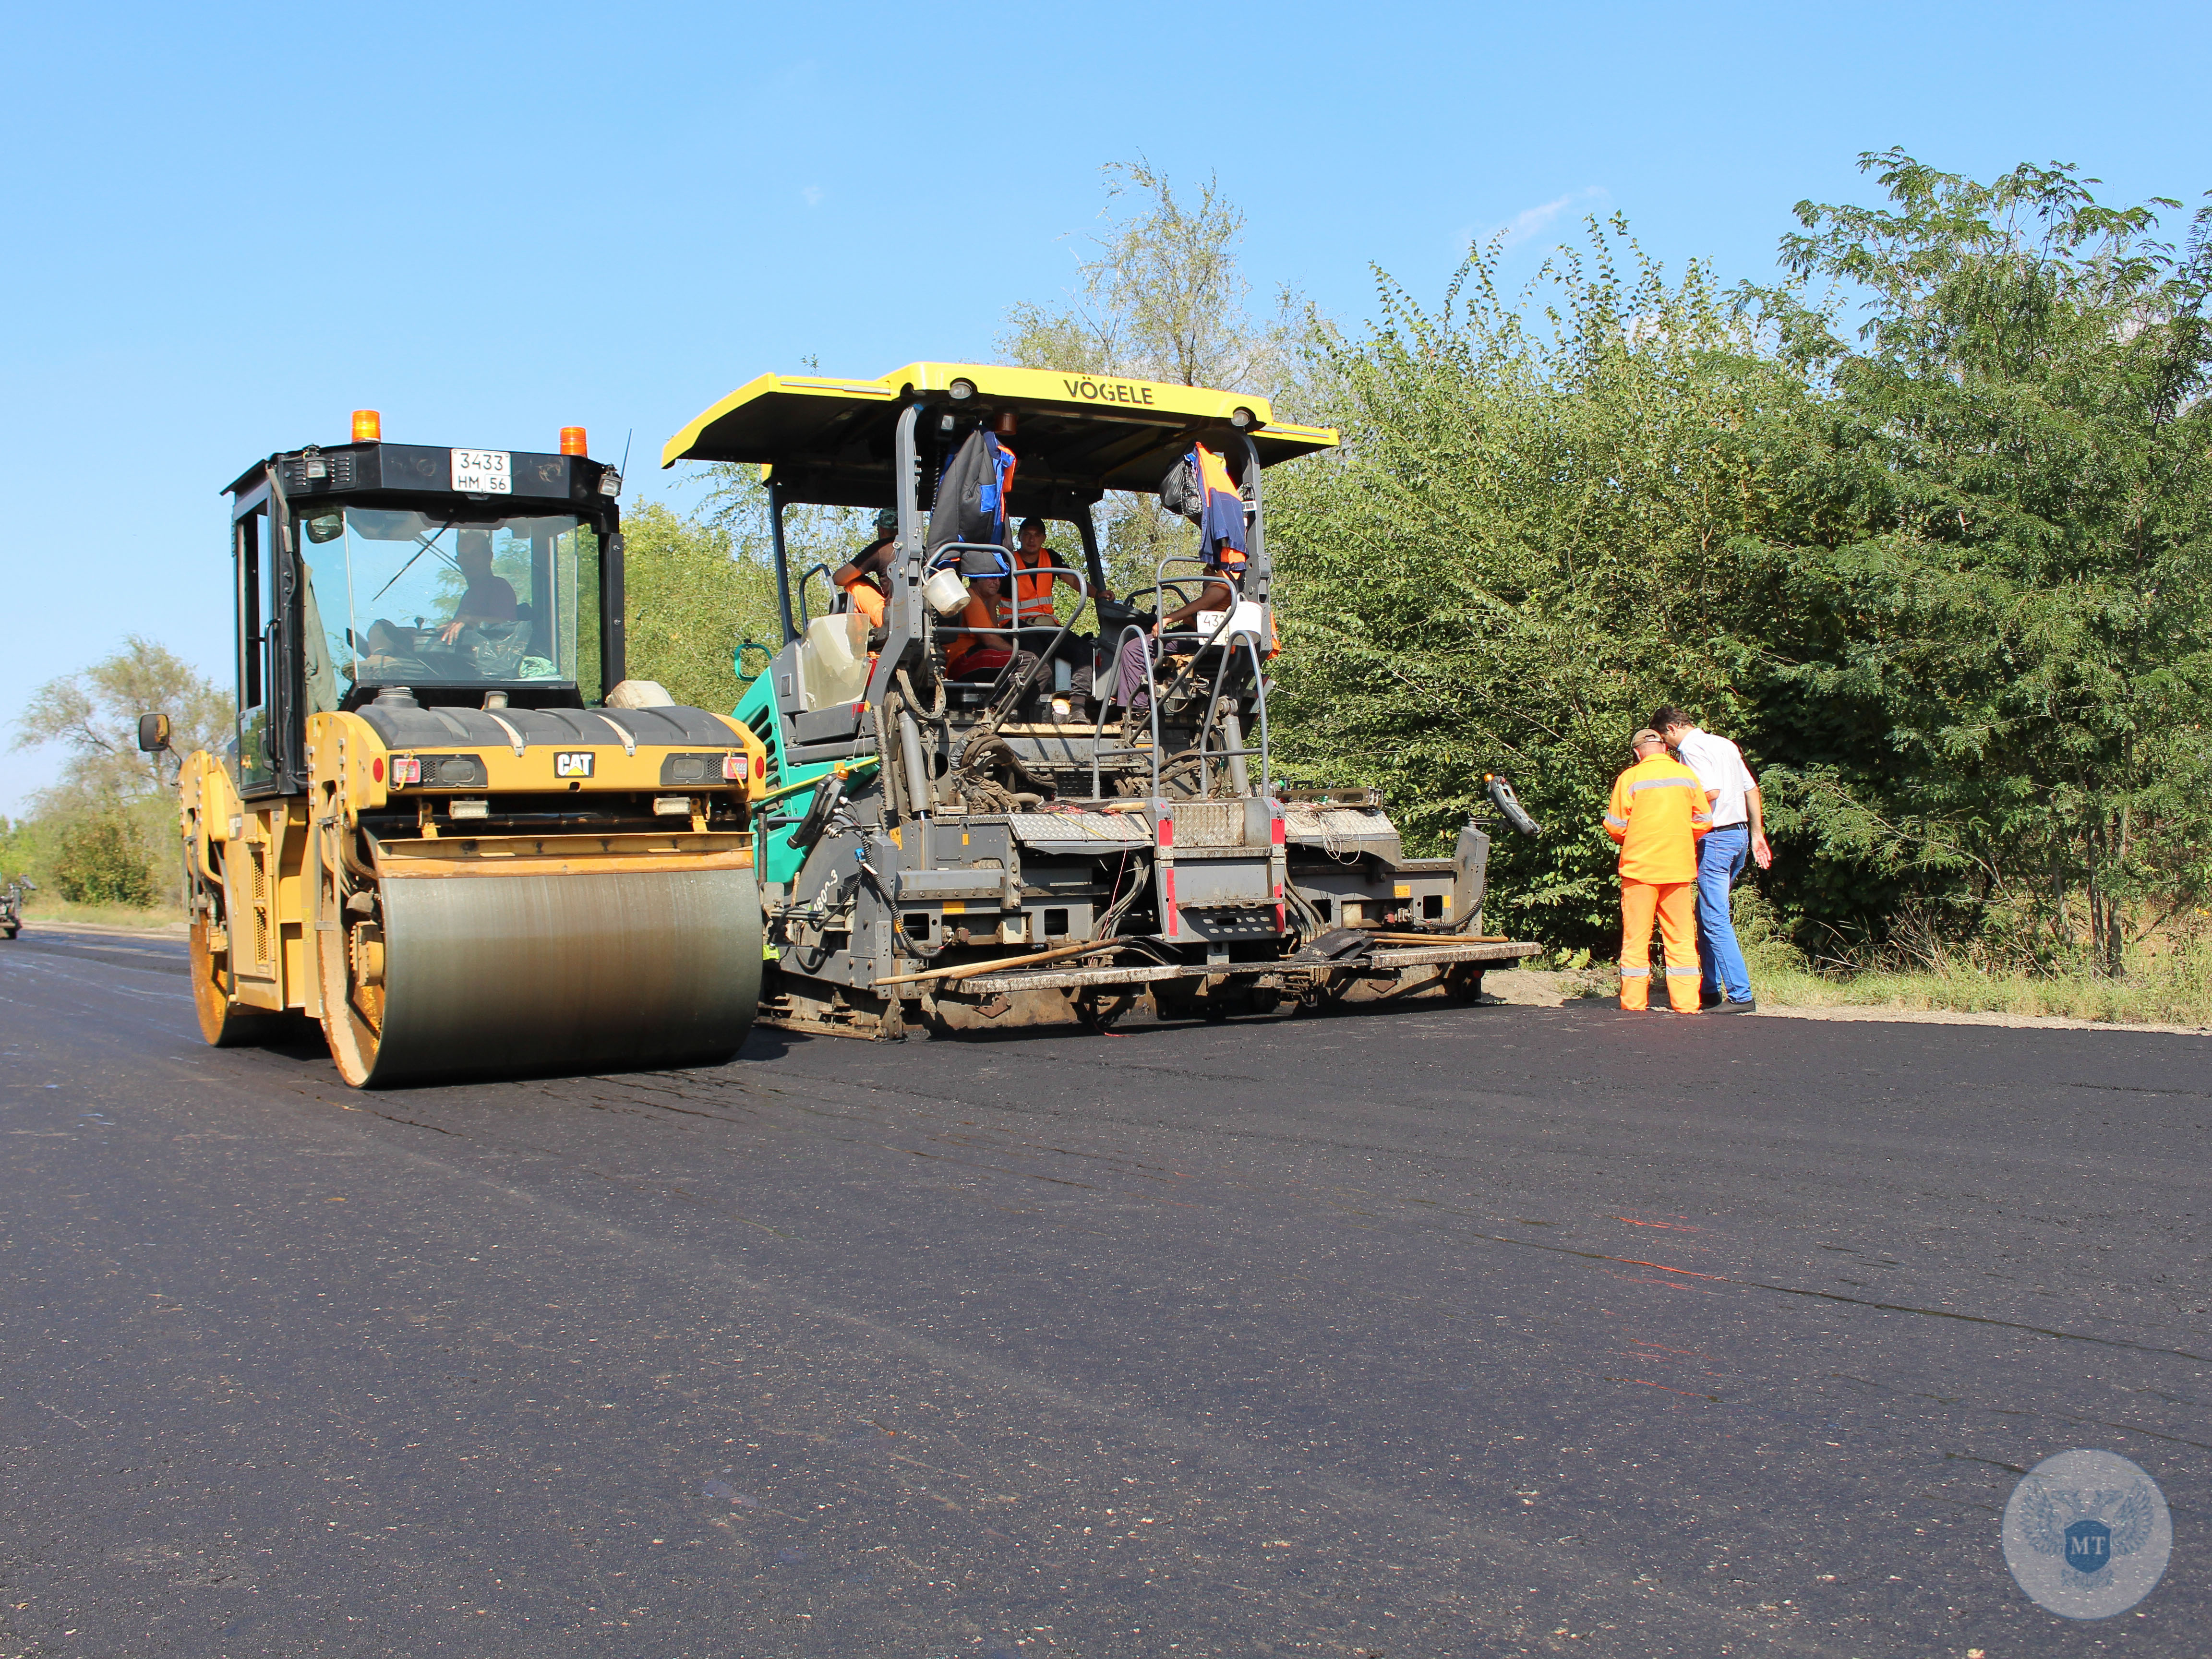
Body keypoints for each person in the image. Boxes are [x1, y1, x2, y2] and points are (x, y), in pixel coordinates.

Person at [1652, 706, 1771, 1013]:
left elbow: (1711, 791)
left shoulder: (1691, 749)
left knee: (1715, 917)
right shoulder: (1725, 744)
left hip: (1716, 838)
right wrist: (1757, 833)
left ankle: (1741, 995)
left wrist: (1674, 815)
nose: (1667, 745)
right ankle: (1709, 991)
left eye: (1665, 737)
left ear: (1674, 728)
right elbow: (1751, 789)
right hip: (1739, 835)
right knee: (1705, 911)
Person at [1604, 728, 1713, 1013]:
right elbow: (1704, 820)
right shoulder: (1687, 776)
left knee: (1636, 939)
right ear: (1665, 748)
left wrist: (1638, 837)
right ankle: (1687, 1004)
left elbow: (1616, 826)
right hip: (1678, 868)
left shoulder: (1629, 778)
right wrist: (1680, 836)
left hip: (1640, 870)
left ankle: (1634, 1003)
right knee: (1681, 938)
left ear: (1638, 752)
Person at [438, 530, 518, 642]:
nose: (468, 561)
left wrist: (469, 620)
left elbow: (508, 624)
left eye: (474, 554)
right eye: (463, 556)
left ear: (489, 557)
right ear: (458, 560)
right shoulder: (470, 594)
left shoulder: (498, 587)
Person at [833, 509, 899, 630]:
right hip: (928, 620)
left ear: (881, 529)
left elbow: (838, 579)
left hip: (895, 622)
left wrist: (861, 577)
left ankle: (856, 640)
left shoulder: (881, 549)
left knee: (854, 584)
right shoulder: (920, 549)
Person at [944, 574, 1014, 679]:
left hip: (967, 657)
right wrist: (1017, 652)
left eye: (1000, 579)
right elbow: (989, 640)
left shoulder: (977, 600)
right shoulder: (971, 598)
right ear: (976, 577)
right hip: (962, 658)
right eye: (993, 577)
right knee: (1026, 661)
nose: (997, 583)